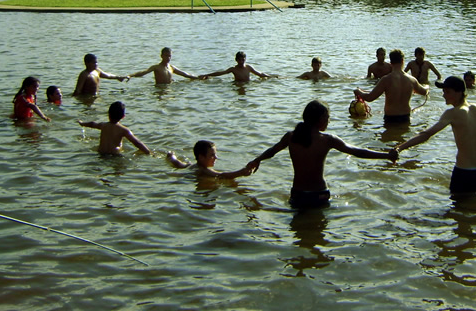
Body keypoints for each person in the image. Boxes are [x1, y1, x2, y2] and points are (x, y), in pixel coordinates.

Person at [247, 100, 398, 209]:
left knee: (299, 234)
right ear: (320, 120)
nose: (329, 121)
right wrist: (386, 155)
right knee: (319, 233)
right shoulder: (327, 140)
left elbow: (272, 151)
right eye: (327, 117)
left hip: (298, 194)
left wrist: (257, 160)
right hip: (319, 195)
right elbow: (357, 151)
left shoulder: (291, 136)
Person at [354, 49, 429, 126]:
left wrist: (358, 91)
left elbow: (370, 97)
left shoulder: (386, 79)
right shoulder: (412, 80)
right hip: (406, 117)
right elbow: (424, 92)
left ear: (391, 62)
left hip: (390, 118)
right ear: (402, 61)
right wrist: (427, 87)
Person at [78, 101, 150, 155]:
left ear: (108, 114)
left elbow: (92, 124)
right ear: (123, 116)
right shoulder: (123, 130)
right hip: (114, 155)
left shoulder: (103, 125)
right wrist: (148, 152)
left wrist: (82, 123)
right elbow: (137, 143)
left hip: (101, 153)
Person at [167, 140, 253, 178]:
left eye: (215, 154)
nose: (216, 157)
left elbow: (177, 163)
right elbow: (222, 175)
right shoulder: (204, 170)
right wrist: (240, 172)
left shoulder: (190, 166)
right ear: (201, 157)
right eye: (212, 155)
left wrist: (171, 156)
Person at [129, 47, 198, 84]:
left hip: (169, 88)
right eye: (166, 56)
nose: (168, 58)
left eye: (169, 56)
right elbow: (143, 72)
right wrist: (130, 76)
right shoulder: (156, 67)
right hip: (159, 89)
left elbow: (185, 74)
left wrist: (197, 78)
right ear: (161, 56)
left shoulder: (172, 68)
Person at [201, 51, 271, 82]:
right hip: (237, 83)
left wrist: (271, 77)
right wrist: (207, 75)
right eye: (239, 60)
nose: (241, 62)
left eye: (243, 60)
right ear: (236, 60)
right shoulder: (233, 69)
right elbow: (221, 73)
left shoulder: (248, 67)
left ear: (245, 59)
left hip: (247, 83)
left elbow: (260, 74)